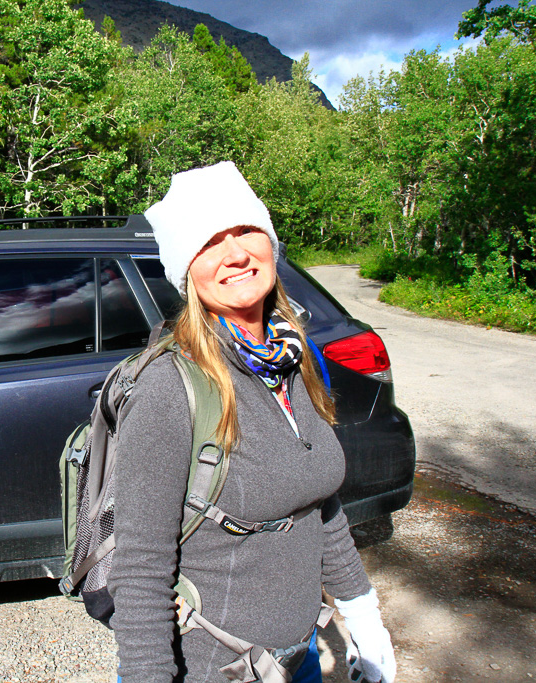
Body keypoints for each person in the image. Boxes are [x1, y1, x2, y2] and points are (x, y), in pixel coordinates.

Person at [107, 161, 396, 683]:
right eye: (210, 242)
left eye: (245, 231)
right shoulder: (168, 388)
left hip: (297, 658)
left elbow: (315, 502)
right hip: (215, 669)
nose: (236, 253)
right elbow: (140, 567)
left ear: (270, 242)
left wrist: (363, 613)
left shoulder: (290, 357)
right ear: (186, 270)